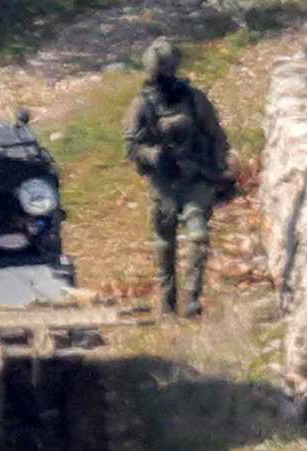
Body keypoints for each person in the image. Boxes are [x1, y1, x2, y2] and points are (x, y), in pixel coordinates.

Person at [122, 38, 232, 318]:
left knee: (198, 237)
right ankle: (167, 305)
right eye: (160, 74)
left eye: (168, 72)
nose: (165, 78)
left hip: (195, 179)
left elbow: (216, 135)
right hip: (164, 184)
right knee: (164, 244)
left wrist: (218, 169)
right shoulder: (141, 105)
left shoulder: (194, 100)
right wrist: (152, 155)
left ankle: (192, 302)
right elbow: (131, 146)